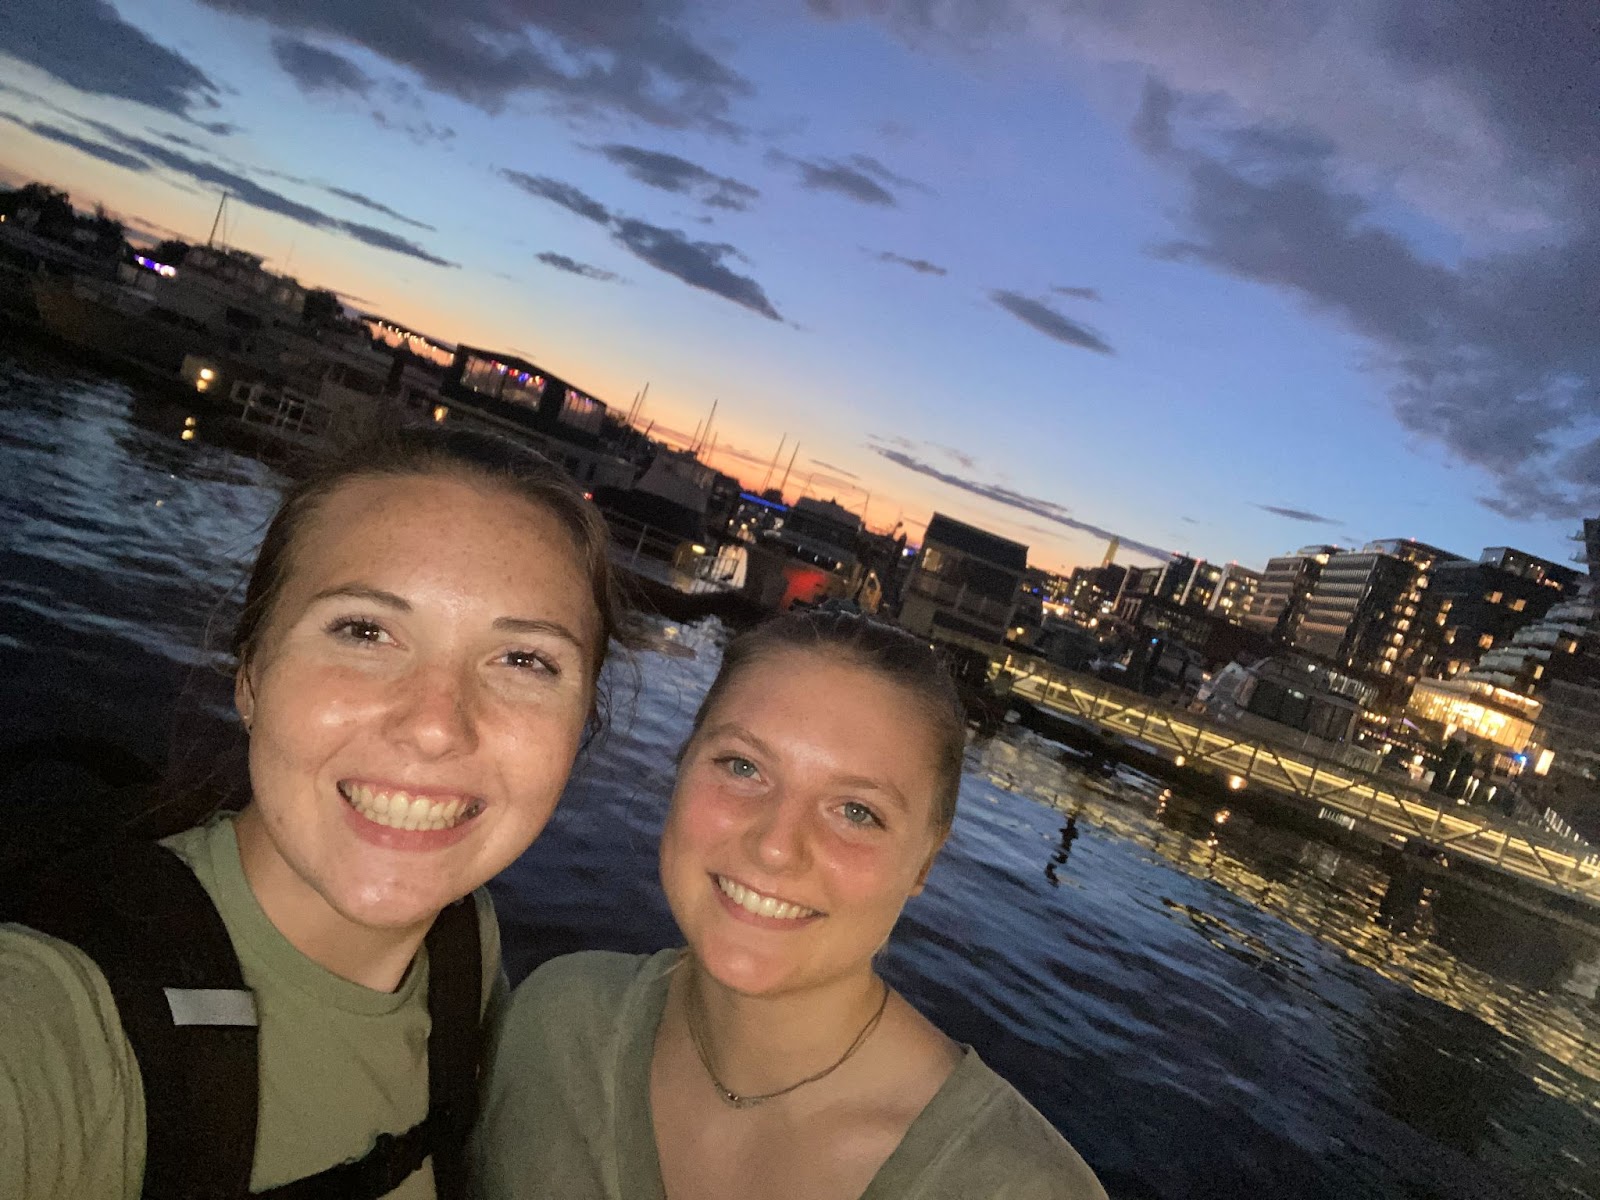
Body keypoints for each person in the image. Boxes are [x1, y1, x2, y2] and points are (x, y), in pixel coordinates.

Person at [0, 425, 631, 1199]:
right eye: (365, 631)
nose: (435, 725)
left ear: (580, 727)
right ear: (251, 677)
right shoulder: (55, 1017)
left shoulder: (467, 946)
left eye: (524, 660)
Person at [473, 612, 1106, 1199]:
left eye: (856, 811)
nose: (776, 847)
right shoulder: (554, 1020)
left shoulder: (1015, 1186)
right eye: (743, 767)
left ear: (924, 864)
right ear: (682, 763)